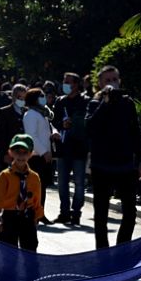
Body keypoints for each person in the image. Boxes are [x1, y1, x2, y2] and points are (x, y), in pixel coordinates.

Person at [86, 65, 141, 248]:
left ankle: (122, 250)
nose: (111, 83)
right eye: (107, 80)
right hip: (101, 166)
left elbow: (135, 132)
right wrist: (105, 103)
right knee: (101, 214)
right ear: (100, 83)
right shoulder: (95, 104)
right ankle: (102, 254)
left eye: (114, 79)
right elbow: (90, 127)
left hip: (125, 166)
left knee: (130, 212)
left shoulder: (128, 103)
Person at [0, 134, 44, 281]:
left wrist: (35, 221)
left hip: (27, 219)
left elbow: (37, 202)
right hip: (9, 218)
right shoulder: (4, 176)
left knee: (30, 259)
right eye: (17, 152)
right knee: (9, 260)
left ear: (30, 154)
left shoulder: (35, 177)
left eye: (24, 152)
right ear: (10, 152)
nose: (20, 156)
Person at [52, 72, 90, 225]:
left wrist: (75, 123)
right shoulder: (60, 102)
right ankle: (64, 212)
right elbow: (54, 122)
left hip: (79, 148)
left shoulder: (85, 101)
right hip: (63, 147)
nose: (65, 84)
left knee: (79, 182)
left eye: (68, 82)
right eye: (64, 81)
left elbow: (88, 123)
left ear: (76, 84)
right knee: (62, 182)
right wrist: (62, 125)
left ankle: (76, 212)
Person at [22, 88, 55, 225]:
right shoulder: (30, 115)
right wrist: (44, 152)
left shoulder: (42, 113)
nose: (43, 97)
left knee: (42, 186)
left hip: (44, 156)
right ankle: (31, 214)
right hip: (36, 156)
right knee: (35, 187)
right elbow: (32, 136)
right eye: (40, 96)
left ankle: (40, 213)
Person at [0, 84, 26, 175]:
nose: (22, 100)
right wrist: (6, 152)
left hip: (23, 154)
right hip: (8, 153)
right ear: (13, 97)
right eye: (19, 97)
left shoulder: (27, 112)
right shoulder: (3, 112)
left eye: (24, 97)